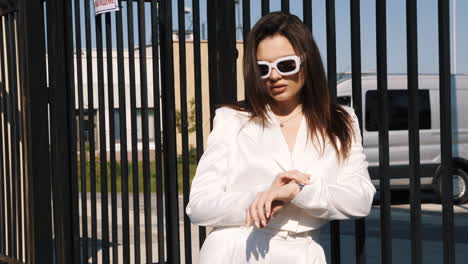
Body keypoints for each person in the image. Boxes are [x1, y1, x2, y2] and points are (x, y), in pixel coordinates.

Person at [186, 12, 376, 264]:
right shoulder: (232, 119)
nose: (274, 76)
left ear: (307, 62)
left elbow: (360, 198)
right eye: (263, 68)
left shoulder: (341, 120)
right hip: (235, 249)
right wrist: (262, 197)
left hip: (303, 252)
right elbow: (198, 206)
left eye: (286, 65)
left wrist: (297, 192)